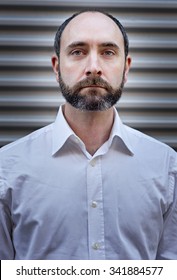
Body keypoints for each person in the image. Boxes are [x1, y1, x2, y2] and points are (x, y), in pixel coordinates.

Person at [0, 9, 177, 260]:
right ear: (56, 67)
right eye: (78, 52)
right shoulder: (6, 168)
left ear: (126, 68)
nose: (93, 67)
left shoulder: (167, 166)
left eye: (108, 52)